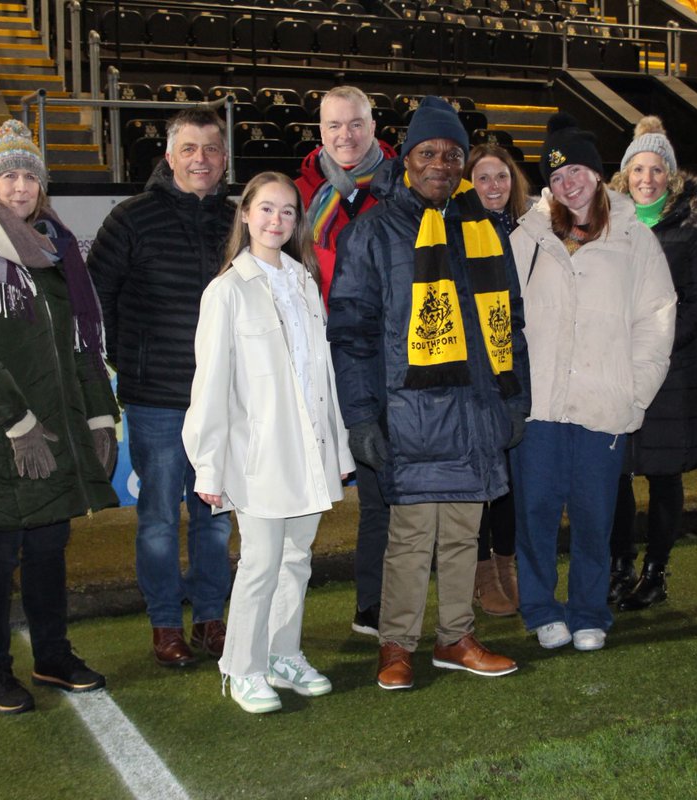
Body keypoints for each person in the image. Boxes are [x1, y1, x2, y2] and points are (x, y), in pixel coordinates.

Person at [327, 96, 531, 691]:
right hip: (409, 413)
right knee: (412, 537)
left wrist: (515, 399)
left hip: (475, 411)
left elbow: (509, 323)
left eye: (451, 154)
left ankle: (455, 637)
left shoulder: (483, 227)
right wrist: (361, 414)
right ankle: (397, 645)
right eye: (428, 153)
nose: (440, 163)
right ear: (407, 158)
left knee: (466, 530)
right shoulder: (373, 229)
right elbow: (351, 330)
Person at [0, 120, 119, 715]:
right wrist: (18, 423)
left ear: (42, 187)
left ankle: (52, 656)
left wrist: (99, 418)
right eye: (8, 175)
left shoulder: (55, 246)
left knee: (48, 545)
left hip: (56, 423)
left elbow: (81, 342)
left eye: (29, 177)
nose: (19, 187)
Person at [182, 172, 354, 714]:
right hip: (259, 456)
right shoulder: (226, 291)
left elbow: (322, 375)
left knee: (297, 559)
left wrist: (339, 451)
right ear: (245, 215)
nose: (276, 221)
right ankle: (242, 668)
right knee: (261, 562)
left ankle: (283, 654)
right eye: (266, 210)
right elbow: (209, 386)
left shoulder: (304, 282)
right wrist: (208, 468)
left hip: (309, 451)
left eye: (287, 212)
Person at [508, 113, 676, 652]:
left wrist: (636, 393)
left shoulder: (635, 238)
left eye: (576, 170)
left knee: (594, 514)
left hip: (604, 403)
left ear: (598, 174)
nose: (568, 183)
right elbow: (502, 317)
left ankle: (587, 611)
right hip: (541, 407)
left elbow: (656, 319)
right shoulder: (527, 237)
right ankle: (540, 608)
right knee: (534, 514)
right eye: (556, 176)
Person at [87, 107, 234, 667]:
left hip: (223, 400)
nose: (202, 159)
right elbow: (95, 304)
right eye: (190, 148)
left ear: (224, 159)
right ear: (169, 156)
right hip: (157, 401)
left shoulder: (239, 220)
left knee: (215, 518)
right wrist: (129, 361)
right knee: (158, 518)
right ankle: (166, 625)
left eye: (213, 149)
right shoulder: (131, 219)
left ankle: (212, 619)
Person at [606, 116, 697, 611]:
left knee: (664, 474)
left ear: (670, 176)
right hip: (615, 368)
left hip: (671, 369)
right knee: (615, 471)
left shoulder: (693, 228)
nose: (647, 178)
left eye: (657, 169)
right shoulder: (607, 220)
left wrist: (656, 343)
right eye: (639, 169)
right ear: (625, 175)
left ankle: (655, 573)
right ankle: (619, 566)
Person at [295, 85, 398, 638]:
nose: (345, 136)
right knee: (301, 493)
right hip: (318, 361)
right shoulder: (300, 192)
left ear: (372, 124)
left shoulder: (401, 183)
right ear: (319, 132)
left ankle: (375, 605)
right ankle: (279, 617)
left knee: (384, 485)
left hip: (384, 357)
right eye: (334, 126)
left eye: (355, 123)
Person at [464, 142, 533, 616]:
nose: (494, 186)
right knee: (478, 479)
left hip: (520, 365)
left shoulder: (534, 228)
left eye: (501, 177)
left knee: (510, 478)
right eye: (484, 177)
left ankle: (507, 567)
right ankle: (481, 571)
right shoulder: (460, 229)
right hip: (475, 373)